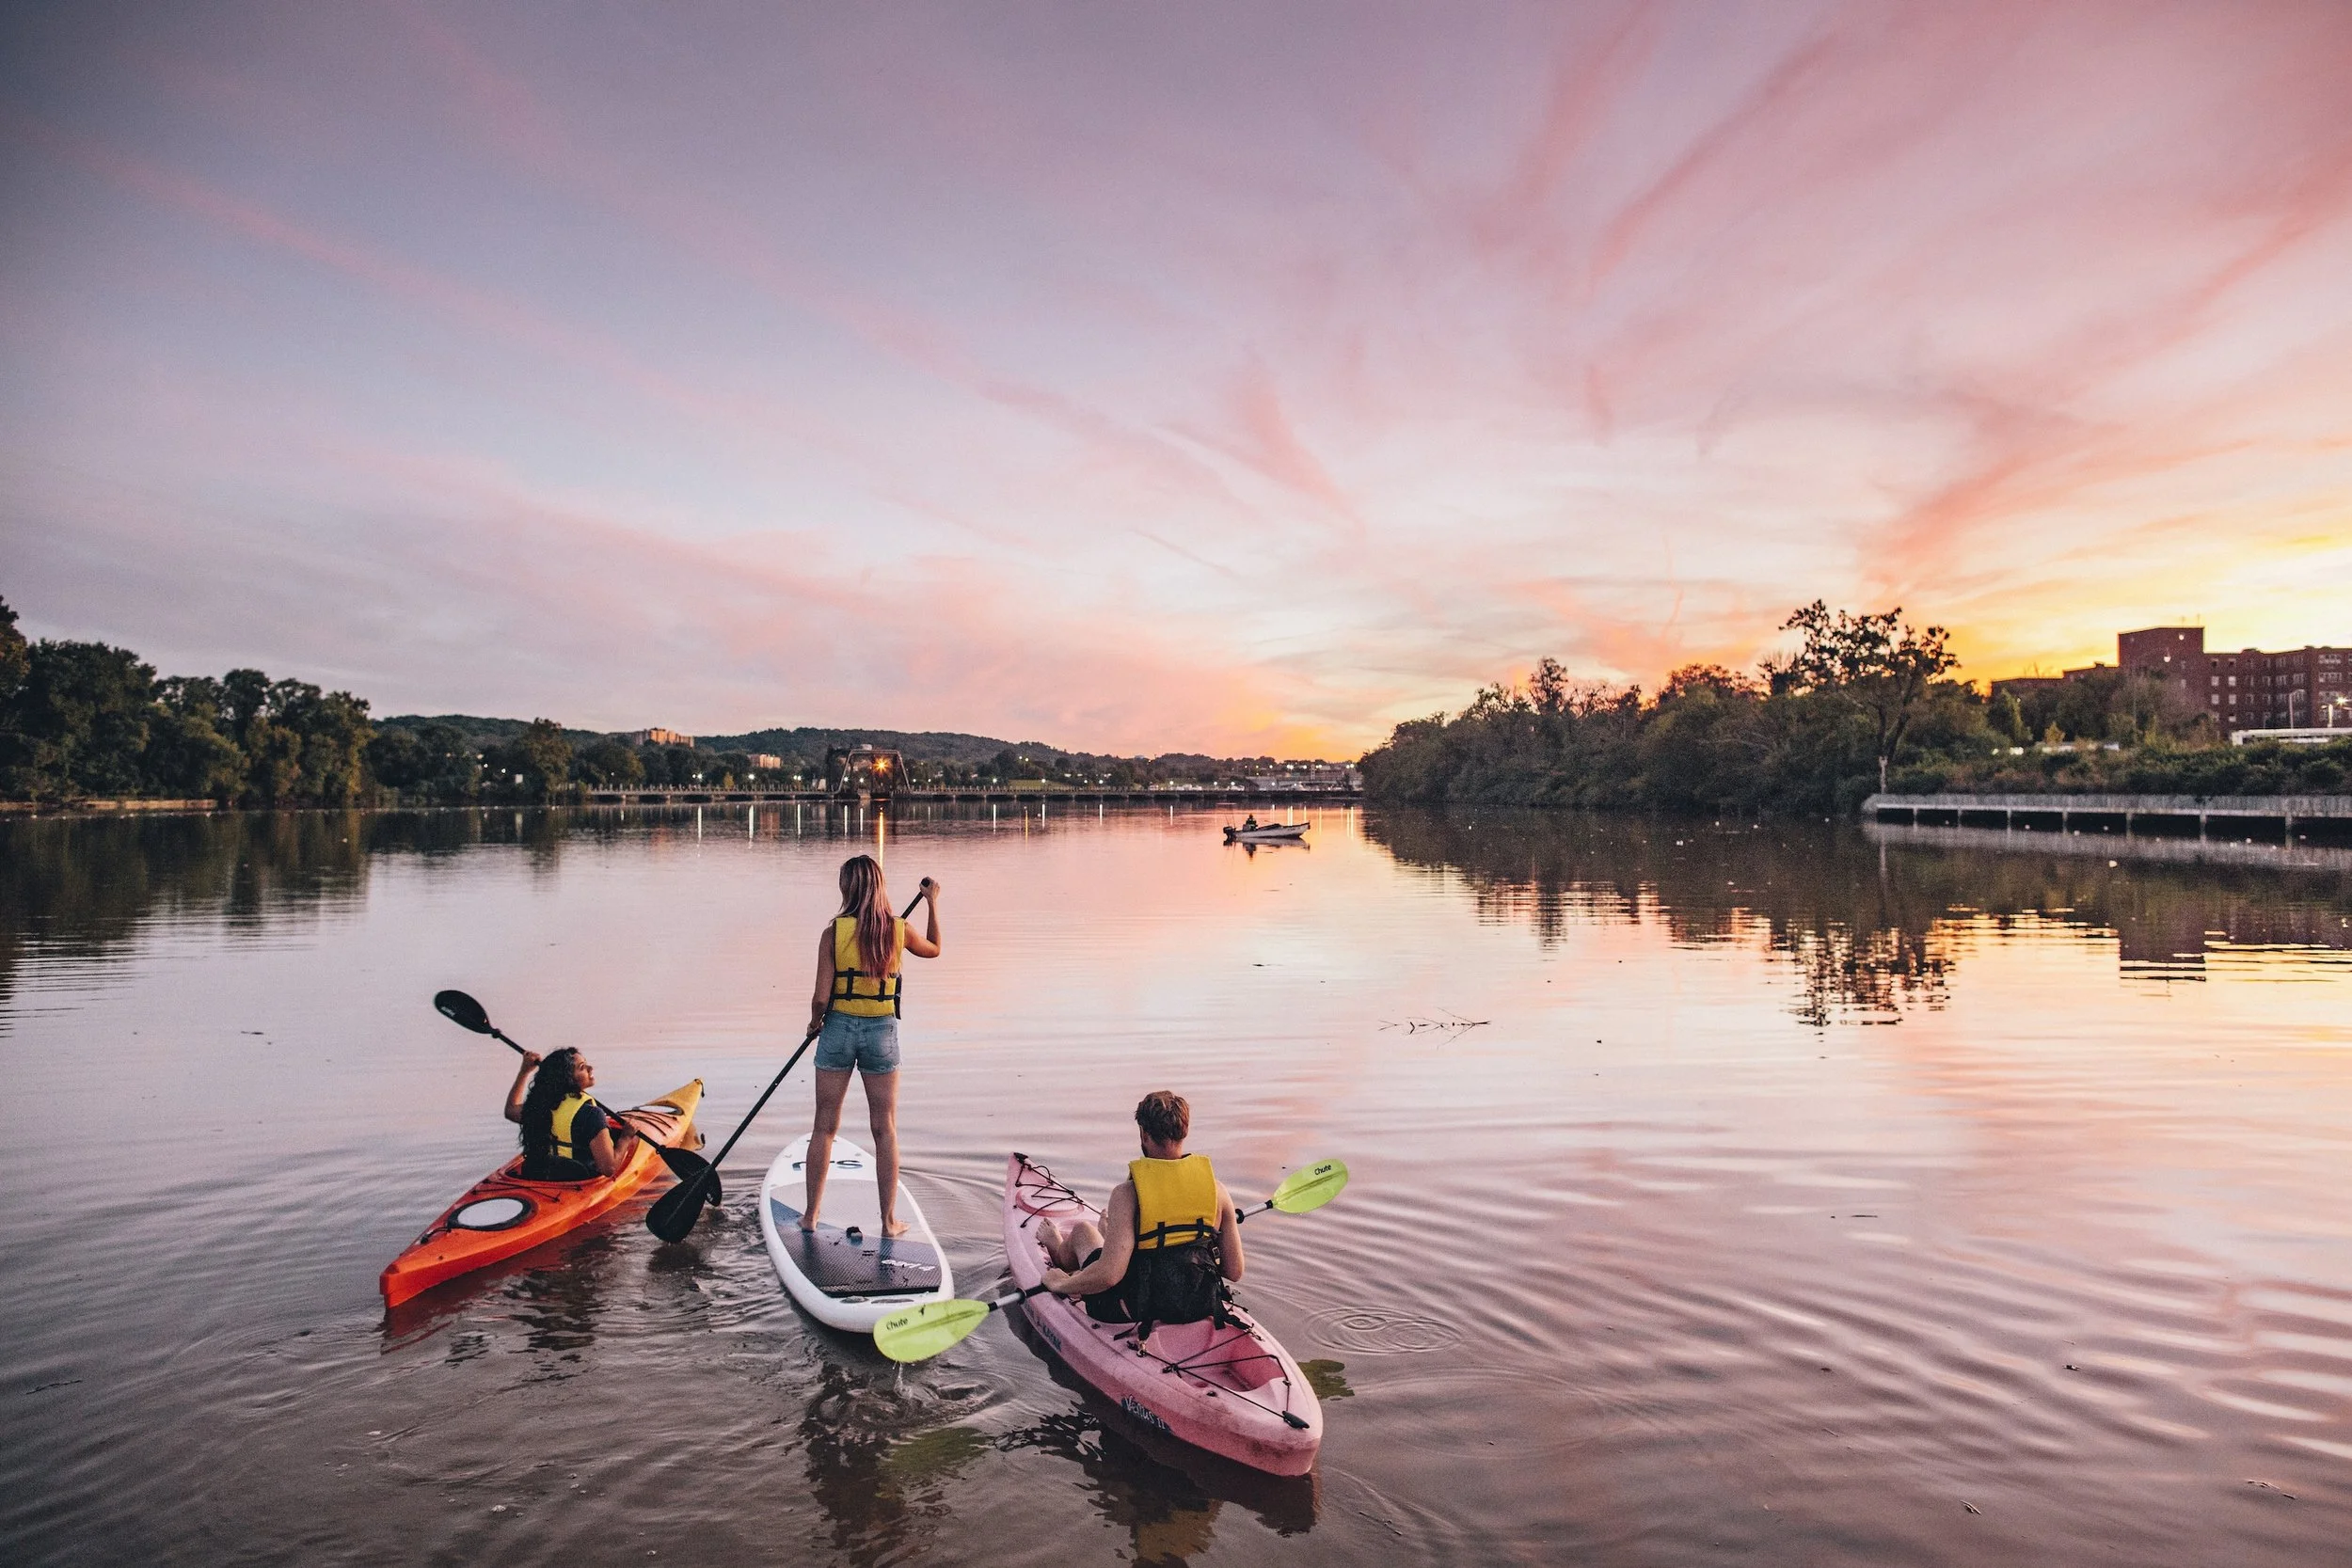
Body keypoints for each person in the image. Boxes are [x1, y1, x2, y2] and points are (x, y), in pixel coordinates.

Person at [802, 854, 942, 1237]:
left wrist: (816, 1025)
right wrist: (932, 902)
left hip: (838, 1030)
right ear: (879, 887)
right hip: (881, 1031)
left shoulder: (834, 933)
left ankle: (811, 1216)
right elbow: (934, 948)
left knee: (824, 1127)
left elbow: (820, 997)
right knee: (885, 1129)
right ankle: (888, 1221)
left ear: (847, 888)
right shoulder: (899, 930)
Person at [1037, 1090, 1245, 1327]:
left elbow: (1109, 1277)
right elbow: (1234, 1271)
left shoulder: (1127, 1194)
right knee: (1116, 1244)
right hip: (1198, 1304)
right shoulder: (1218, 1192)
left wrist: (1059, 1284)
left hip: (1134, 1309)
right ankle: (1111, 1238)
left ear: (1144, 1134)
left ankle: (1057, 1247)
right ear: (1184, 1131)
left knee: (1083, 1231)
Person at [504, 1046, 640, 1181]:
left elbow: (511, 1110)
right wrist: (625, 1137)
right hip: (575, 1181)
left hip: (539, 1176)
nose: (590, 1068)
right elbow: (608, 1168)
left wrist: (524, 1072)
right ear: (568, 1079)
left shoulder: (539, 1106)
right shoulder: (592, 1115)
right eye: (582, 1067)